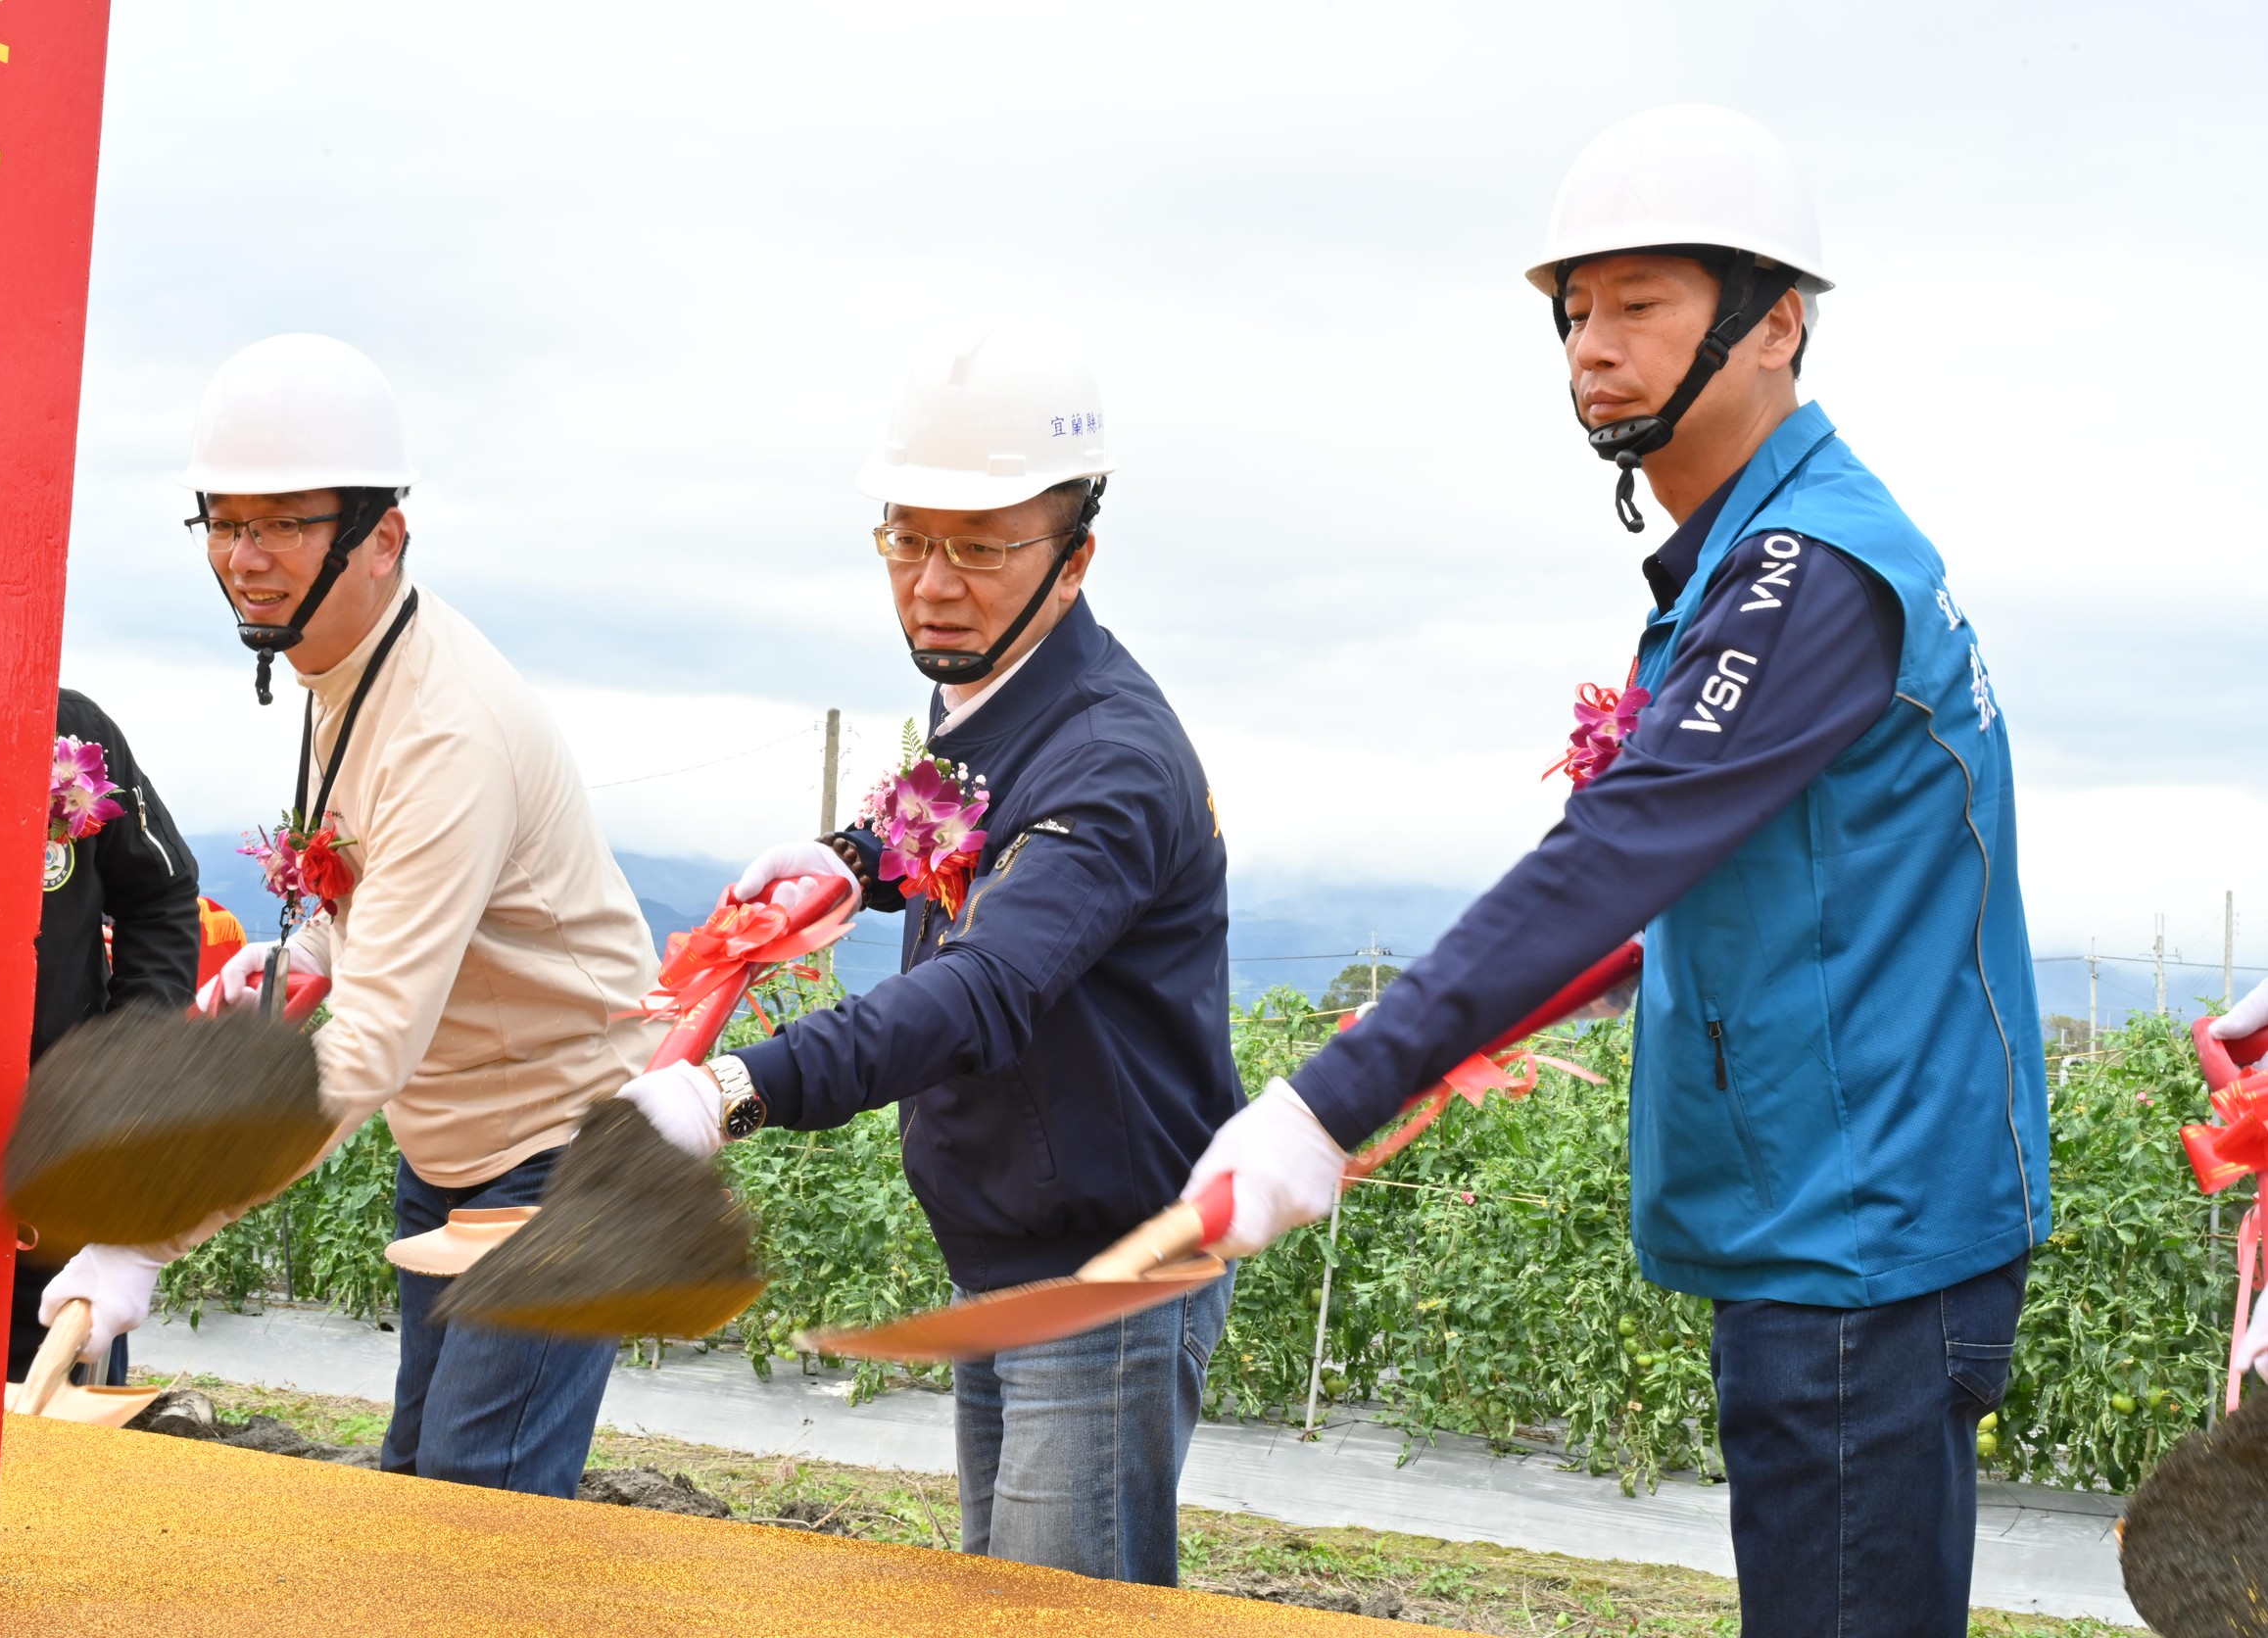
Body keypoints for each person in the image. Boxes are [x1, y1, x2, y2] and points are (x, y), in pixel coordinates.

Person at [1186, 106, 2049, 1637]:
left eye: (1641, 304)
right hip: (1831, 1224)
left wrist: (1330, 1097)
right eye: (1576, 311)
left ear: (1776, 324)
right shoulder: (1760, 555)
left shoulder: (1806, 569)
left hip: (1858, 1245)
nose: (1594, 346)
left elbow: (1622, 843)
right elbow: (1735, 878)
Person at [618, 328, 1241, 1586]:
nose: (933, 585)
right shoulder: (996, 698)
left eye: (980, 547)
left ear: (1075, 556)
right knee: (994, 1593)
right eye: (908, 540)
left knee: (1052, 1612)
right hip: (1013, 1245)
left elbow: (983, 991)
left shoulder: (1111, 759)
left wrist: (733, 1087)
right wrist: (853, 857)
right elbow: (953, 812)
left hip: (1108, 1268)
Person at [38, 333, 664, 1498]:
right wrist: (304, 949)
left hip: (561, 1149)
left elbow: (369, 1049)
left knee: (473, 1508)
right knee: (414, 1481)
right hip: (457, 1139)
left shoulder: (444, 731)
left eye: (283, 523)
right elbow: (373, 886)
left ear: (384, 535)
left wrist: (147, 1233)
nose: (246, 557)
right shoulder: (347, 669)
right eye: (225, 522)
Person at [11, 689, 201, 1385]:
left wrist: (125, 1060)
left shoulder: (68, 728)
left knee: (48, 1397)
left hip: (51, 1149)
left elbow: (161, 895)